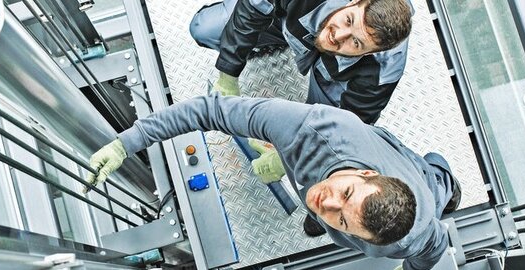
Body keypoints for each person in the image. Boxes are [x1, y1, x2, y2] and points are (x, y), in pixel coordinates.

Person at [85, 94, 459, 270]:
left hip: (416, 190)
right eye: (345, 194)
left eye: (342, 220)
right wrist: (125, 144)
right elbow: (210, 109)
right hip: (399, 160)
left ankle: (442, 182)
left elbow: (430, 254)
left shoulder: (408, 238)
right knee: (435, 179)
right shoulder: (309, 127)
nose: (324, 202)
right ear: (365, 174)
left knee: (435, 180)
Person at [190, 0, 420, 238]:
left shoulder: (383, 69)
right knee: (203, 28)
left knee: (322, 127)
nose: (338, 35)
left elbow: (350, 124)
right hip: (289, 20)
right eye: (349, 20)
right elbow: (253, 5)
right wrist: (228, 72)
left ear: (372, 51)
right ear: (355, 1)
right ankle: (277, 38)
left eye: (356, 42)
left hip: (332, 76)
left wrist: (285, 158)